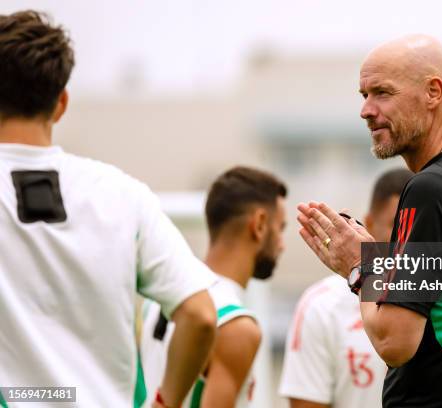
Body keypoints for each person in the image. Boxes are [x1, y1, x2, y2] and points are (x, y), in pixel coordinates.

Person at [297, 35, 442, 408]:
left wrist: (358, 266)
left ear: (433, 92)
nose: (366, 110)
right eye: (363, 95)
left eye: (382, 93)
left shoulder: (432, 189)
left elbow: (394, 341)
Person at [0, 11, 217, 408]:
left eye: (373, 93)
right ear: (61, 102)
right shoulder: (121, 192)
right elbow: (201, 315)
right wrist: (165, 403)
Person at [140, 166, 288, 408]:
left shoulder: (155, 301)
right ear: (260, 224)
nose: (282, 244)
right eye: (280, 228)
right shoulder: (236, 325)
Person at [280, 168, 414, 408]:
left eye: (418, 229)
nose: (407, 241)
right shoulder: (321, 304)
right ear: (369, 223)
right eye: (398, 226)